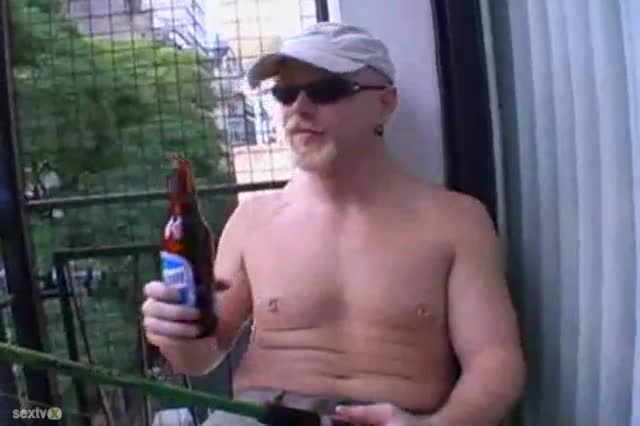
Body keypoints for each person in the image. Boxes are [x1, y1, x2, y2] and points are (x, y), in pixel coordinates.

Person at [141, 22, 526, 426]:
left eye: (326, 90)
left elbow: (495, 360)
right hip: (263, 416)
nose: (299, 108)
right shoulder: (253, 219)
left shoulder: (455, 221)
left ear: (385, 103)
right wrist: (173, 333)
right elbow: (201, 356)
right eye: (285, 93)